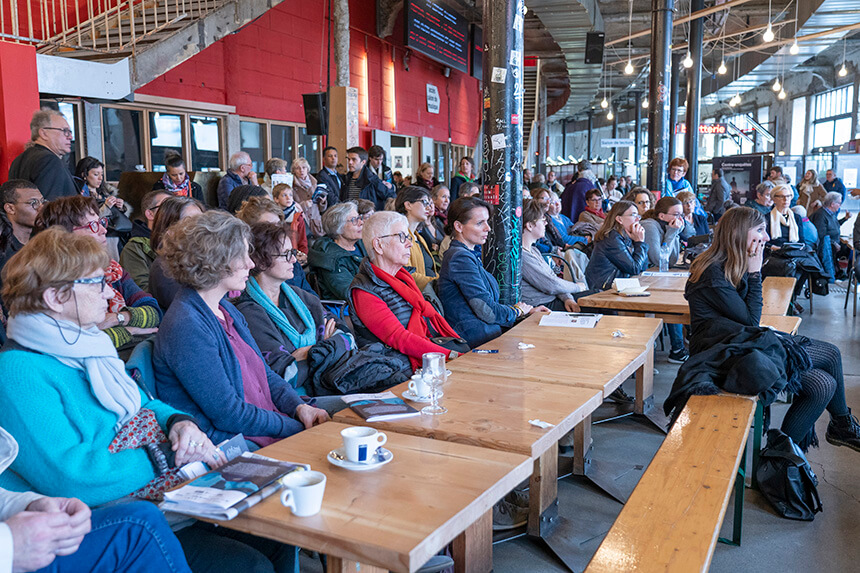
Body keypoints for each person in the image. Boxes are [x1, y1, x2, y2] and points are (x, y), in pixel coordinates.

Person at [0, 229, 296, 572]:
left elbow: (147, 405)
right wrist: (166, 454)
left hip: (152, 494)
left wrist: (179, 423)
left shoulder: (87, 348)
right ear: (55, 297)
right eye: (96, 283)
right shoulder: (18, 371)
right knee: (249, 564)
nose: (109, 293)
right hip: (102, 517)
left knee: (280, 535)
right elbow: (71, 478)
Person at [681, 207, 860, 453]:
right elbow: (751, 320)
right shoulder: (712, 272)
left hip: (739, 344)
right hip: (719, 355)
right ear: (740, 233)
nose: (766, 237)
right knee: (827, 361)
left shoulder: (731, 263)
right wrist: (755, 273)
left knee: (824, 382)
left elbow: (747, 322)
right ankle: (832, 430)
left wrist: (753, 269)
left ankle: (783, 455)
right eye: (761, 231)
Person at [153, 211, 330, 449]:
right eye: (242, 255)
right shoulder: (186, 326)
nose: (251, 263)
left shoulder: (226, 309)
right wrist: (296, 426)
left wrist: (299, 407)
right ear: (216, 260)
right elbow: (230, 414)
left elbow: (264, 374)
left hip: (267, 426)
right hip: (236, 442)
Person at [0, 422, 193, 573]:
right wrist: (9, 543)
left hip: (128, 477)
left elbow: (148, 403)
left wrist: (28, 504)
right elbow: (71, 481)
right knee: (139, 525)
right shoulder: (18, 375)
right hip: (115, 487)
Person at [234, 222, 349, 395]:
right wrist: (325, 346)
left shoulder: (303, 298)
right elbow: (284, 375)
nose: (294, 260)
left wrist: (306, 353)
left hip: (331, 385)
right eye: (286, 255)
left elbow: (348, 339)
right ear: (261, 261)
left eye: (293, 253)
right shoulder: (249, 312)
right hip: (296, 401)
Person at [33, 196, 161, 350]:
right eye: (93, 225)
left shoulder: (112, 269)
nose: (103, 230)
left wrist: (117, 318)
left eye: (101, 223)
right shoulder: (52, 281)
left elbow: (153, 312)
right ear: (64, 235)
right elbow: (71, 342)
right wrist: (128, 331)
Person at [349, 211, 463, 371]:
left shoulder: (404, 278)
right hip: (396, 369)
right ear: (379, 245)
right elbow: (399, 339)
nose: (409, 244)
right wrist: (450, 355)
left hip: (423, 359)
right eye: (402, 237)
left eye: (408, 237)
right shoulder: (364, 291)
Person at [438, 197, 546, 347]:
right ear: (458, 226)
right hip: (478, 342)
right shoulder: (460, 258)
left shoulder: (468, 254)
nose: (488, 228)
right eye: (479, 223)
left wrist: (526, 312)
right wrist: (517, 312)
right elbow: (487, 311)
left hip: (487, 334)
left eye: (487, 221)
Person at [640, 197, 689, 363]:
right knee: (672, 300)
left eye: (681, 214)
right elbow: (656, 258)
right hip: (642, 277)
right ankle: (678, 349)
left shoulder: (668, 226)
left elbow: (672, 260)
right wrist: (672, 233)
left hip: (657, 276)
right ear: (661, 216)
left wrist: (673, 232)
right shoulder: (649, 226)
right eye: (676, 214)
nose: (680, 218)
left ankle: (679, 347)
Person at [520, 200, 588, 311]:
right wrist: (578, 287)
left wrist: (567, 298)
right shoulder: (522, 256)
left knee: (595, 296)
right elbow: (551, 285)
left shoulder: (534, 250)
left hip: (553, 300)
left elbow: (552, 278)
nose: (546, 223)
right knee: (594, 300)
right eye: (542, 219)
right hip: (543, 306)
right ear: (530, 225)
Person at [147, 197, 206, 312]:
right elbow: (189, 310)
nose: (200, 228)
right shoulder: (164, 267)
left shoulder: (201, 259)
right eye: (190, 222)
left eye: (202, 220)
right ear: (169, 229)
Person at [8, 110, 76, 200]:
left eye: (70, 132)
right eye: (65, 131)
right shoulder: (49, 161)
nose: (70, 137)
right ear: (44, 133)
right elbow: (50, 207)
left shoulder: (18, 160)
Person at [307, 201, 367, 301]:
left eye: (359, 218)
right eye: (354, 220)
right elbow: (350, 293)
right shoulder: (330, 258)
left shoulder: (362, 244)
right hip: (347, 310)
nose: (361, 222)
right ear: (338, 227)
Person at [584, 200, 649, 290]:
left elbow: (643, 267)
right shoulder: (611, 238)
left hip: (617, 287)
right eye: (633, 215)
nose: (638, 219)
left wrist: (638, 241)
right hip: (603, 291)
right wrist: (640, 243)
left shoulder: (625, 236)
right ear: (619, 219)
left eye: (638, 215)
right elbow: (635, 269)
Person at [119, 190, 171, 291]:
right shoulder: (134, 248)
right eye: (166, 207)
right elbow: (142, 291)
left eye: (175, 208)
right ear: (150, 214)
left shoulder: (181, 242)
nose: (171, 212)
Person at [0, 180, 45, 283]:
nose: (41, 208)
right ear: (10, 208)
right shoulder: (3, 250)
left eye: (42, 201)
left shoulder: (38, 243)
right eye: (33, 203)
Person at [395, 186, 438, 290]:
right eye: (424, 202)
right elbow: (405, 273)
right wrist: (438, 283)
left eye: (429, 203)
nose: (428, 207)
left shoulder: (418, 237)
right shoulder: (400, 237)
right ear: (408, 205)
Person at [811, 192, 850, 280]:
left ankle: (846, 273)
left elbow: (834, 226)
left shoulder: (830, 213)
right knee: (847, 250)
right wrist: (834, 243)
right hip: (827, 246)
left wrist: (845, 219)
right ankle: (836, 273)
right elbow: (821, 235)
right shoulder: (821, 215)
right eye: (839, 203)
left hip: (835, 242)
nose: (840, 205)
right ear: (832, 204)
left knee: (850, 249)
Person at [273, 183, 308, 255]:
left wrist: (303, 254)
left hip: (293, 253)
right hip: (276, 253)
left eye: (290, 195)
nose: (288, 198)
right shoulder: (272, 216)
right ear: (276, 199)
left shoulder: (297, 216)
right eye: (284, 195)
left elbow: (302, 240)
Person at [561, 160, 597, 224]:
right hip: (585, 222)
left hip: (568, 221)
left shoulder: (570, 186)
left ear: (578, 171)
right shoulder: (590, 186)